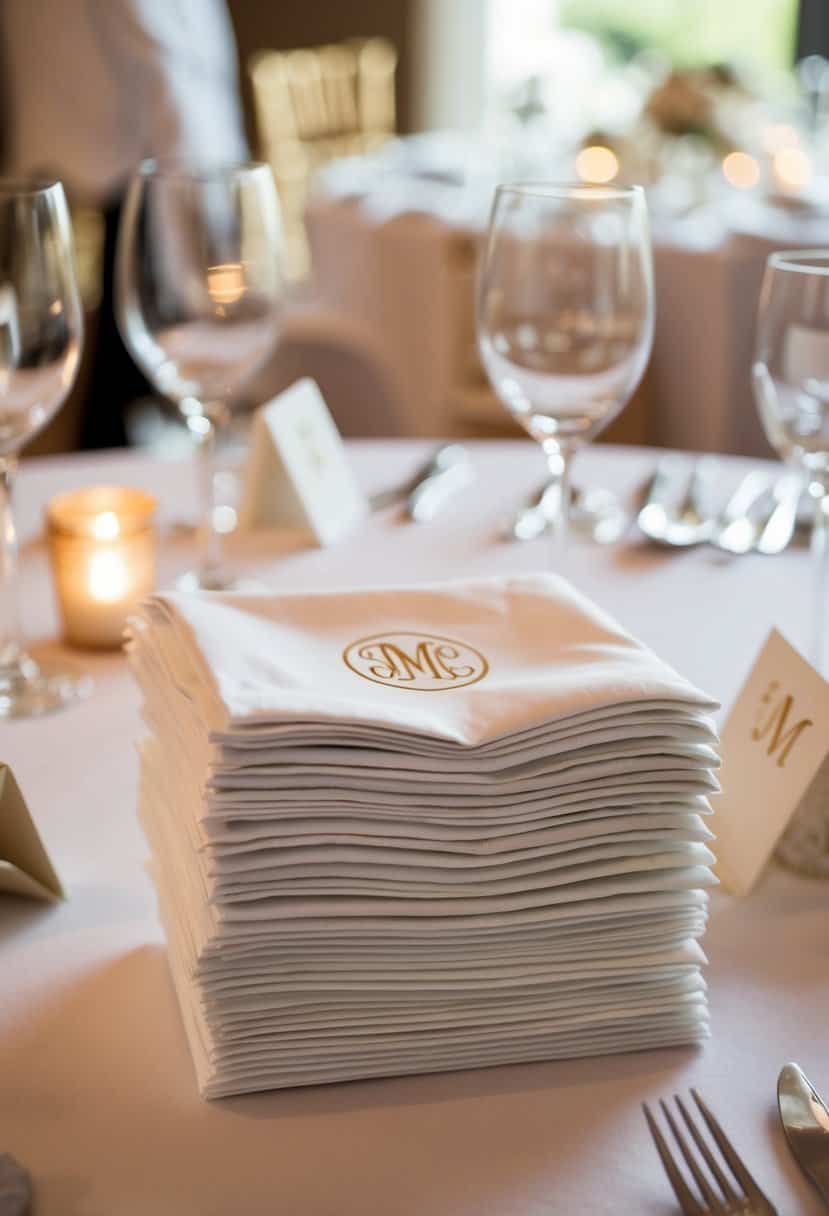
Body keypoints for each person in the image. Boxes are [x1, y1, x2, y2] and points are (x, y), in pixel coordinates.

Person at [0, 0, 249, 448]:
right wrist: (211, 209)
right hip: (124, 167)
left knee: (83, 378)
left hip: (57, 145)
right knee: (106, 395)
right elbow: (168, 60)